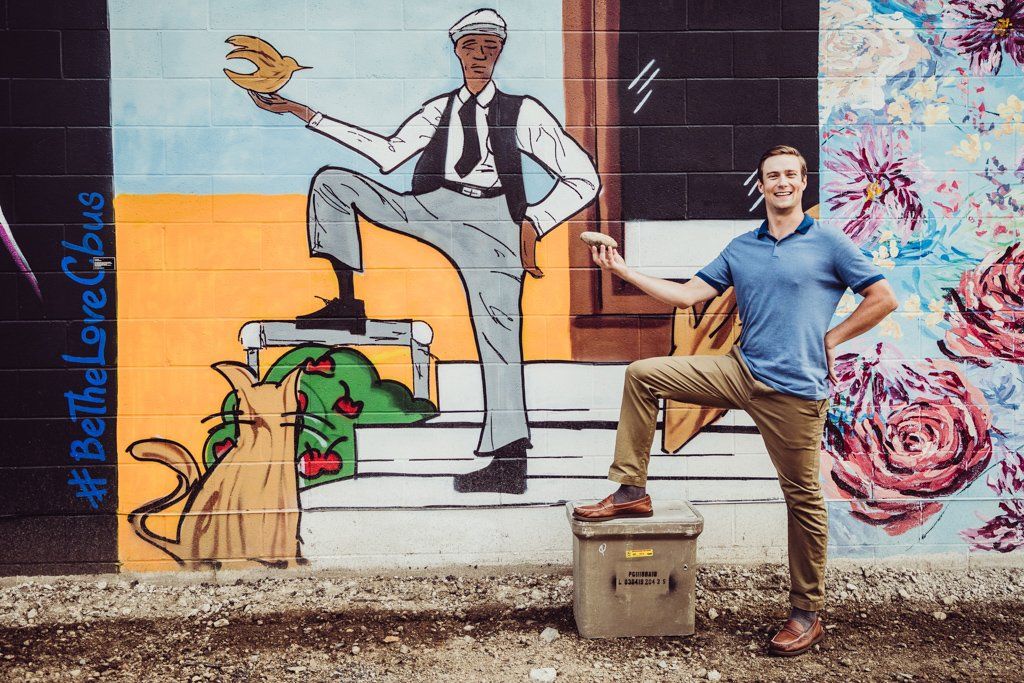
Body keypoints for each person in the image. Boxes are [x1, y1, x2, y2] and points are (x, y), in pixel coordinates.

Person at [247, 9, 600, 494]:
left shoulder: (524, 112)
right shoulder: (439, 110)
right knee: (333, 182)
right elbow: (388, 153)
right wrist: (304, 113)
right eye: (471, 45)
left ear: (501, 51)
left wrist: (535, 220)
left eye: (490, 46)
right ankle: (346, 303)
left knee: (499, 332)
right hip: (433, 205)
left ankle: (508, 461)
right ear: (456, 50)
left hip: (496, 220)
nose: (480, 55)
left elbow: (584, 178)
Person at [573, 145, 898, 656]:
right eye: (773, 175)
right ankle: (631, 489)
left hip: (795, 391)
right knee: (643, 374)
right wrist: (623, 271)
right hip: (740, 371)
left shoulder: (830, 243)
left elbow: (883, 298)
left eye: (790, 174)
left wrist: (832, 338)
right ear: (761, 185)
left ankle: (806, 612)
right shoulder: (742, 247)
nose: (782, 182)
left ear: (803, 183)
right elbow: (687, 295)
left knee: (803, 499)